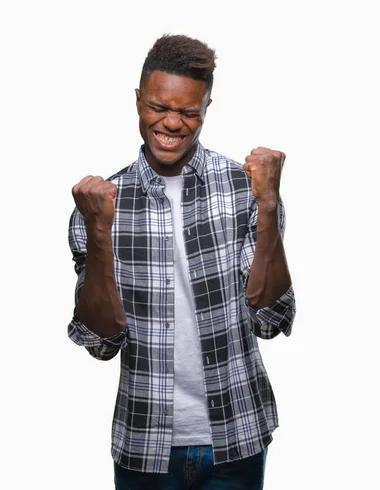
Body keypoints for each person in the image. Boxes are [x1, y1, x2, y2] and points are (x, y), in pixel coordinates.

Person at [67, 34, 296, 490]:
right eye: (158, 107)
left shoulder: (245, 187)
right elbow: (100, 341)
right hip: (143, 442)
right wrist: (98, 231)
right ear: (137, 101)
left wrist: (268, 205)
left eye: (189, 112)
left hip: (238, 434)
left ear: (208, 106)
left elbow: (270, 319)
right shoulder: (101, 202)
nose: (171, 123)